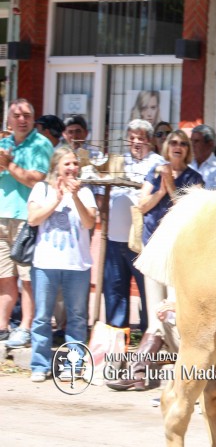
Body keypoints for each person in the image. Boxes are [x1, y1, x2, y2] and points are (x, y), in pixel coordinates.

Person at [109, 130, 203, 390]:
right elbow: (142, 206)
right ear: (166, 147)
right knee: (155, 318)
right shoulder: (155, 171)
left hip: (178, 254)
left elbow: (188, 212)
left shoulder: (194, 178)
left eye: (183, 144)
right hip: (153, 250)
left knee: (173, 316)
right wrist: (161, 188)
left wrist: (170, 186)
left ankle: (192, 375)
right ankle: (138, 373)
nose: (177, 146)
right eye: (173, 142)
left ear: (187, 149)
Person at [27, 147, 97, 382]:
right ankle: (40, 364)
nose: (72, 168)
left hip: (77, 265)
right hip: (45, 263)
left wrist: (74, 197)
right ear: (56, 166)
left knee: (77, 317)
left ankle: (73, 365)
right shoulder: (42, 189)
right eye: (67, 163)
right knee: (42, 317)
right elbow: (33, 219)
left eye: (75, 164)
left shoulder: (85, 192)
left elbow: (89, 222)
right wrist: (56, 199)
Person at [103, 120, 165, 334]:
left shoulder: (157, 163)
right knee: (114, 290)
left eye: (141, 138)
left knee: (147, 291)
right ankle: (116, 338)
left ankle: (151, 335)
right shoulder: (119, 161)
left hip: (142, 241)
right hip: (114, 238)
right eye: (132, 138)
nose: (136, 142)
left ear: (149, 140)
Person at [0, 99, 53, 346]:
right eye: (17, 115)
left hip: (27, 218)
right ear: (9, 120)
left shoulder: (41, 144)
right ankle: (3, 326)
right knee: (4, 276)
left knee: (28, 278)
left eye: (27, 115)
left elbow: (36, 180)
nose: (22, 120)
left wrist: (9, 164)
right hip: (2, 216)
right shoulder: (3, 144)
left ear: (33, 119)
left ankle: (26, 327)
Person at [189, 124, 216, 190]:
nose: (192, 145)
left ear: (210, 144)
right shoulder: (187, 164)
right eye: (191, 141)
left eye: (196, 141)